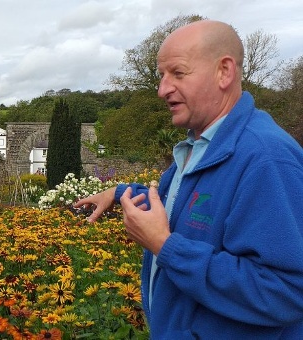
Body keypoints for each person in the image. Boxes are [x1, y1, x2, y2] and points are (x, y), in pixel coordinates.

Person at [75, 20, 303, 338]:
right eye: (161, 76)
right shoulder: (200, 145)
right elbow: (182, 206)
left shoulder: (265, 159)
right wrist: (120, 192)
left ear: (224, 72)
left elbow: (288, 291)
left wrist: (164, 246)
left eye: (178, 74)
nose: (162, 89)